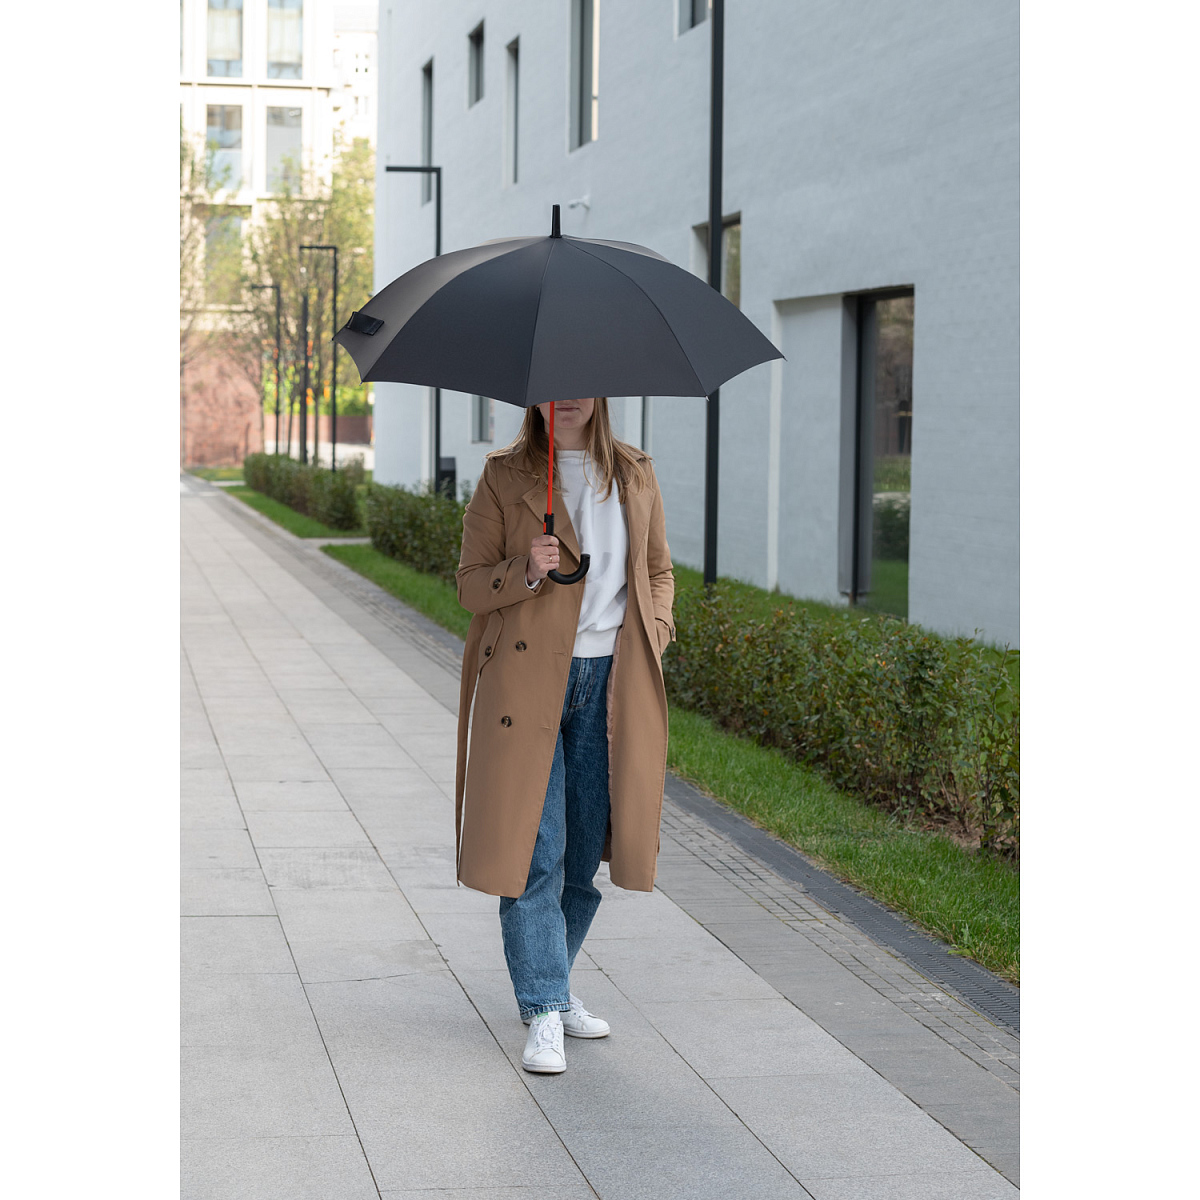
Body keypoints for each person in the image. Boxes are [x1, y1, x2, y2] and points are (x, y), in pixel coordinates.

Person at [454, 396, 675, 1074]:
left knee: (581, 857)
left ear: (602, 393)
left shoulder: (634, 473)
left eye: (582, 383)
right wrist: (525, 569)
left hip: (611, 683)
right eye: (554, 385)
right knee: (534, 851)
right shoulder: (504, 475)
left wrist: (657, 634)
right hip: (528, 685)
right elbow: (469, 586)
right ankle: (545, 1005)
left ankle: (551, 983)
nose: (568, 397)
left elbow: (658, 572)